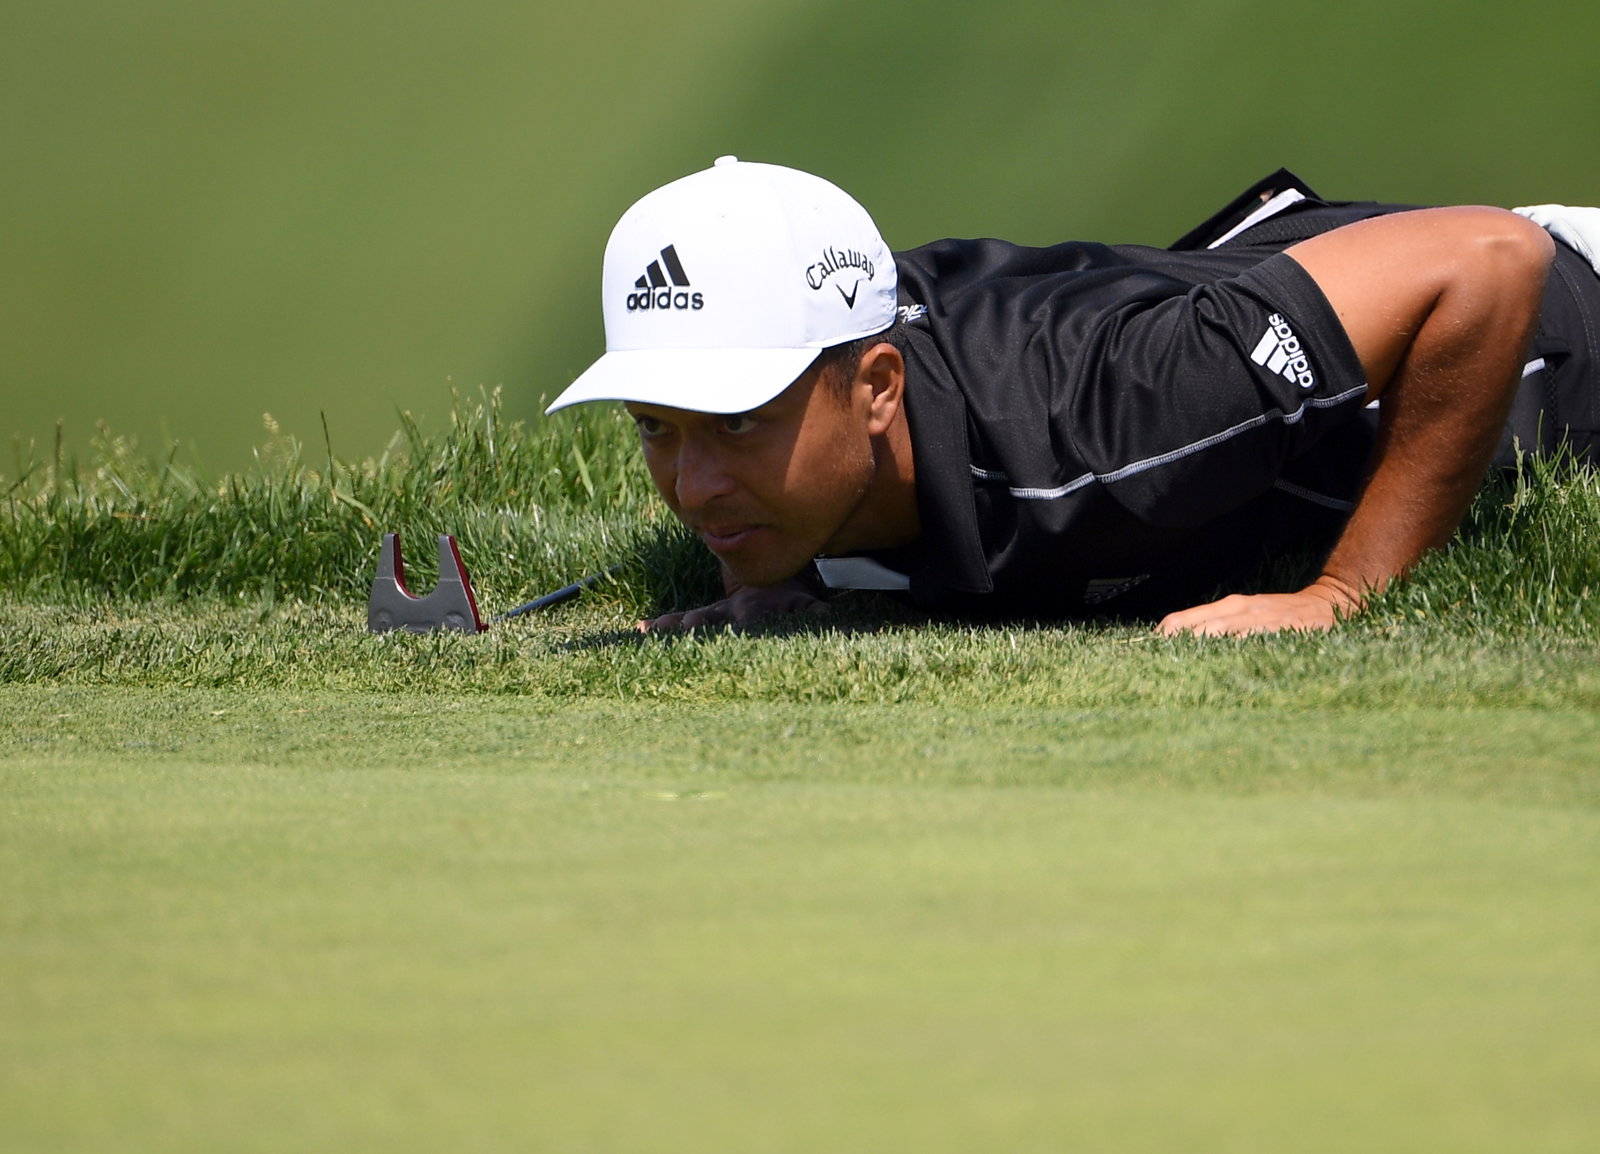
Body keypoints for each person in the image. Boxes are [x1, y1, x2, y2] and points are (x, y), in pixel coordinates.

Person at [546, 156, 1600, 636]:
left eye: (736, 421)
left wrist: (1342, 592)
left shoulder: (1112, 418)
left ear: (876, 387)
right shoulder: (847, 374)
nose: (692, 482)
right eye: (655, 425)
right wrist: (796, 570)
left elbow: (1491, 256)